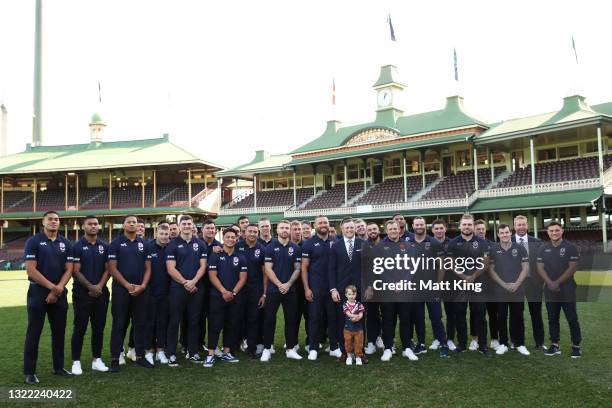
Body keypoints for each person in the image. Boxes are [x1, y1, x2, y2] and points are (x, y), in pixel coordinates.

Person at [23, 211, 74, 384]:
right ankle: (30, 372)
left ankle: (58, 367)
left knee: (59, 332)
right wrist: (53, 288)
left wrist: (58, 289)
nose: (53, 221)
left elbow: (69, 269)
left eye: (56, 219)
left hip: (59, 292)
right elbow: (31, 270)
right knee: (34, 333)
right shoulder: (34, 241)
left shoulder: (66, 243)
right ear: (43, 222)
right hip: (38, 292)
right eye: (50, 219)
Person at [108, 215, 152, 371]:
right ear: (124, 225)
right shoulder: (115, 244)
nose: (133, 224)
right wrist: (127, 285)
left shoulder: (144, 244)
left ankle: (139, 356)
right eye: (129, 222)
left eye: (135, 222)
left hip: (140, 291)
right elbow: (112, 268)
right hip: (121, 290)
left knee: (140, 324)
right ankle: (115, 358)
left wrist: (143, 285)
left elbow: (148, 268)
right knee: (119, 324)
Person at [70, 215, 111, 375]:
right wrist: (90, 286)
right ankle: (76, 361)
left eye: (96, 224)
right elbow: (75, 270)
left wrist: (99, 286)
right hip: (82, 293)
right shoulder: (77, 246)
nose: (93, 226)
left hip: (101, 293)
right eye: (90, 224)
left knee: (98, 328)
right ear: (83, 227)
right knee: (80, 328)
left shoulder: (104, 246)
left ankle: (97, 359)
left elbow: (108, 269)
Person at [446, 213, 491, 356]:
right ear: (460, 226)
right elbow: (451, 263)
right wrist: (463, 276)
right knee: (460, 314)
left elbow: (485, 262)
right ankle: (462, 344)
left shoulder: (482, 242)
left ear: (473, 226)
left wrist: (473, 276)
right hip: (459, 285)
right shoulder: (453, 243)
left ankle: (483, 345)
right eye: (464, 224)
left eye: (469, 224)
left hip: (478, 284)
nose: (466, 227)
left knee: (480, 315)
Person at [165, 215, 208, 366]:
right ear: (179, 226)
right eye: (183, 224)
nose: (187, 226)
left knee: (194, 321)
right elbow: (170, 268)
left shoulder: (200, 243)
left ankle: (193, 351)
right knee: (174, 321)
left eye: (189, 223)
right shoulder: (173, 244)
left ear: (192, 225)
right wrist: (185, 282)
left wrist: (194, 281)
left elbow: (203, 266)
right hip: (178, 288)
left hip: (196, 288)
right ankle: (171, 353)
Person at [537, 221, 582, 358]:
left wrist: (556, 282)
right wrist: (550, 283)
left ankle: (576, 346)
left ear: (562, 231)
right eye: (551, 231)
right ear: (548, 233)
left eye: (556, 230)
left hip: (567, 288)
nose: (554, 233)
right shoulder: (543, 248)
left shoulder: (570, 247)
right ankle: (555, 345)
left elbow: (572, 267)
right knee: (552, 318)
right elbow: (539, 267)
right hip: (549, 288)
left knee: (572, 318)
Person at [204, 228, 248, 367]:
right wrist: (224, 291)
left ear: (236, 239)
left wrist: (233, 292)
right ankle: (210, 354)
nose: (230, 239)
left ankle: (227, 352)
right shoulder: (215, 255)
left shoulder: (240, 257)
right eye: (228, 237)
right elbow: (212, 275)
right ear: (223, 238)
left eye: (233, 237)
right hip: (217, 296)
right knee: (215, 325)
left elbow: (243, 278)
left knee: (231, 325)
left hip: (235, 297)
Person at [260, 220, 303, 362]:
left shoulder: (295, 248)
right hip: (273, 289)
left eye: (287, 228)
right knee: (269, 319)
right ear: (276, 230)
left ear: (290, 230)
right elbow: (268, 268)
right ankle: (267, 348)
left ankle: (290, 349)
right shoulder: (270, 247)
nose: (285, 230)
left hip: (290, 290)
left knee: (291, 319)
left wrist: (288, 284)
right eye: (282, 228)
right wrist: (279, 284)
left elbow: (297, 268)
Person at [410, 216, 449, 358]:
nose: (419, 226)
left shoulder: (433, 242)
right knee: (418, 317)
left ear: (425, 226)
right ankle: (421, 344)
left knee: (436, 317)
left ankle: (443, 343)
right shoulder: (408, 242)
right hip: (415, 288)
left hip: (431, 287)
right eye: (417, 224)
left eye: (421, 224)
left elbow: (442, 265)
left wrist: (438, 284)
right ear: (413, 226)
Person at [488, 223, 530, 356]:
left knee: (517, 317)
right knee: (501, 317)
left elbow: (526, 267)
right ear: (498, 235)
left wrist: (517, 283)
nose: (505, 235)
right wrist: (503, 284)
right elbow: (491, 270)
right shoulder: (494, 249)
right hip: (500, 290)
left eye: (507, 232)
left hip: (517, 289)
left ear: (510, 233)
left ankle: (520, 343)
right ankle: (503, 344)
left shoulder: (520, 248)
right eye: (502, 233)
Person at [328, 218, 366, 362]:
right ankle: (345, 352)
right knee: (342, 321)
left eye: (352, 227)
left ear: (355, 228)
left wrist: (368, 286)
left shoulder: (363, 244)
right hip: (342, 290)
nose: (349, 230)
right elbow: (331, 269)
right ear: (342, 229)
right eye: (347, 228)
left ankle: (360, 353)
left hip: (360, 290)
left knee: (361, 320)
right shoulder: (335, 246)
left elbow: (369, 268)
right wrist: (333, 289)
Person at [301, 215, 338, 360]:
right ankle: (313, 347)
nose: (323, 224)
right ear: (314, 226)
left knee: (333, 317)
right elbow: (304, 268)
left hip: (332, 287)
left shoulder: (336, 241)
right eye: (320, 222)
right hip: (315, 287)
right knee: (314, 318)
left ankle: (334, 347)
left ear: (329, 225)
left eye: (325, 222)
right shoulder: (309, 243)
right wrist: (306, 288)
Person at [512, 215, 545, 350]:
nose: (521, 227)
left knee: (536, 313)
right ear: (514, 226)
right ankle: (516, 342)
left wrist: (540, 281)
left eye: (523, 224)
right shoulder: (507, 240)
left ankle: (540, 342)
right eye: (518, 225)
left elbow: (542, 264)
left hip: (533, 284)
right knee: (516, 314)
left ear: (527, 225)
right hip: (515, 284)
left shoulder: (536, 242)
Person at [237, 224, 267, 358]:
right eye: (250, 231)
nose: (253, 234)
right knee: (236, 318)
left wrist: (264, 293)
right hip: (238, 288)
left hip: (255, 289)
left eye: (255, 232)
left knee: (253, 319)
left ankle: (252, 348)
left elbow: (265, 273)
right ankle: (233, 346)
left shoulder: (262, 249)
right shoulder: (237, 246)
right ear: (245, 232)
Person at [146, 223, 171, 364]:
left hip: (166, 292)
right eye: (161, 234)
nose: (164, 237)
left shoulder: (171, 248)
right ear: (157, 234)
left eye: (166, 234)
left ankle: (160, 350)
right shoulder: (148, 247)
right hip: (150, 292)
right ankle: (149, 350)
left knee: (162, 322)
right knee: (150, 323)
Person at [431, 218, 456, 351]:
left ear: (445, 228)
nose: (439, 230)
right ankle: (437, 338)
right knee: (436, 314)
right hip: (432, 283)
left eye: (441, 228)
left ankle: (450, 338)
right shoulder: (428, 242)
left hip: (450, 283)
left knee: (451, 312)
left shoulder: (452, 243)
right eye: (436, 228)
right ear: (432, 230)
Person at [475, 219, 500, 352]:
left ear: (485, 230)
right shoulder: (471, 245)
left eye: (482, 229)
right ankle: (478, 340)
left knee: (492, 313)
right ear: (474, 230)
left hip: (491, 285)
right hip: (476, 285)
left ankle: (495, 339)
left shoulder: (493, 245)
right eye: (478, 228)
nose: (480, 231)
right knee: (478, 314)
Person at [364, 222, 383, 354]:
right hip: (370, 286)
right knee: (371, 315)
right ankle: (371, 342)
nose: (372, 231)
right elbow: (365, 268)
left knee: (387, 315)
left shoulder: (387, 244)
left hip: (386, 286)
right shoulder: (364, 245)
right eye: (369, 230)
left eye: (374, 229)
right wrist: (368, 286)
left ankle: (384, 339)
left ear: (379, 230)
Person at [290, 220, 308, 351]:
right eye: (295, 229)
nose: (297, 231)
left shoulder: (307, 245)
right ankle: (293, 342)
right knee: (293, 317)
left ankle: (309, 342)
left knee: (309, 316)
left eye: (299, 229)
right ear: (290, 231)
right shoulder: (286, 245)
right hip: (291, 288)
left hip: (305, 286)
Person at [342, 285, 365, 366]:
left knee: (359, 343)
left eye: (353, 294)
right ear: (346, 295)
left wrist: (358, 318)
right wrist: (354, 316)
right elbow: (348, 313)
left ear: (356, 294)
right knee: (348, 343)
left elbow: (361, 313)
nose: (351, 296)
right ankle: (349, 356)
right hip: (348, 328)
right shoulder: (345, 304)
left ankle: (358, 357)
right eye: (349, 294)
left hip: (358, 329)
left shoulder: (359, 304)